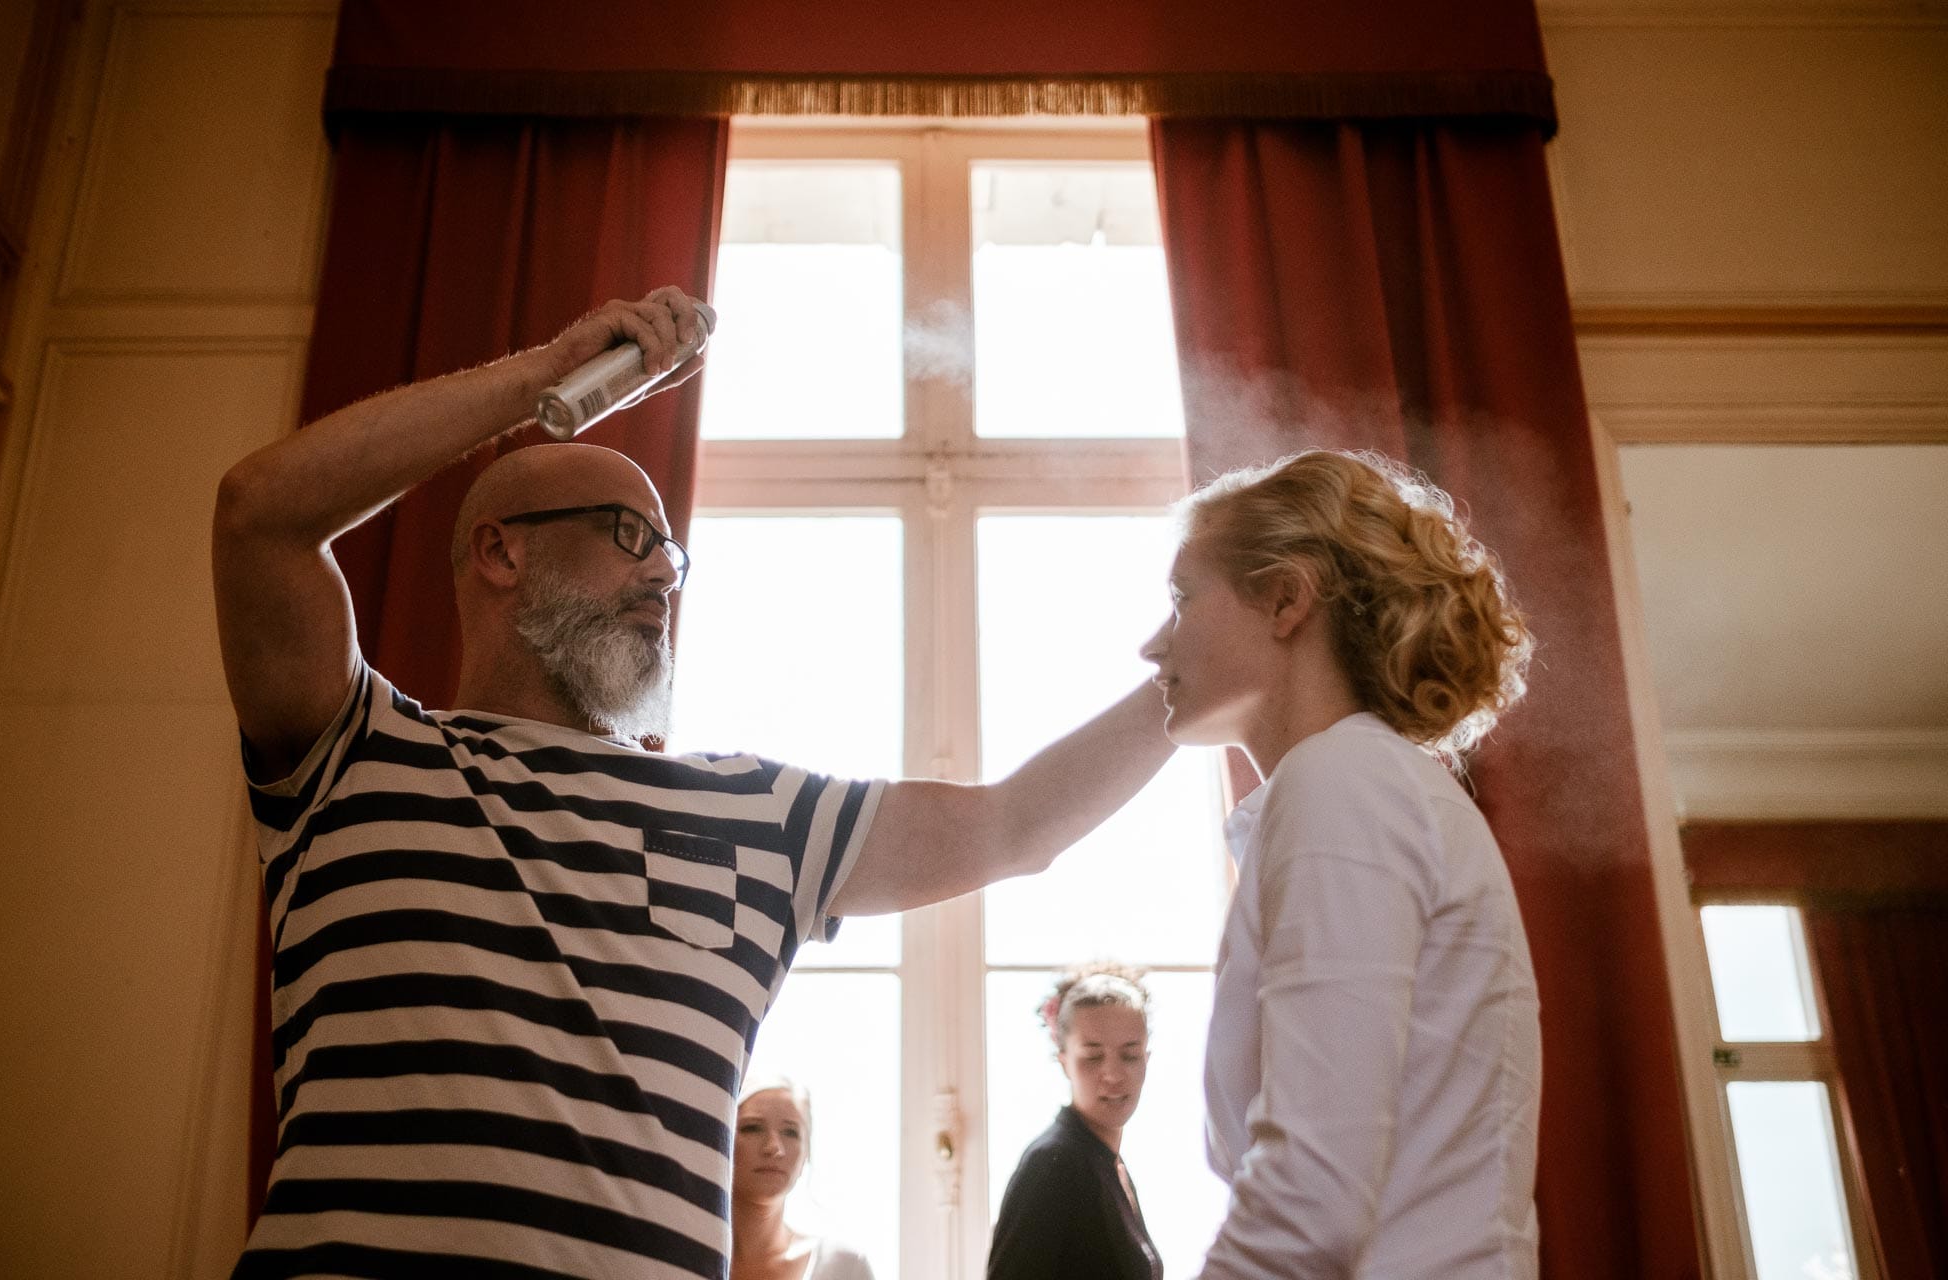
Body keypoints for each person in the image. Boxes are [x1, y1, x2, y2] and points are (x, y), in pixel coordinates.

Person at [212, 286, 1175, 1280]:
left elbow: (1013, 823)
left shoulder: (758, 816)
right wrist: (542, 375)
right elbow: (260, 519)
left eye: (671, 552)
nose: (663, 576)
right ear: (502, 548)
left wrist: (1191, 672)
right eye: (628, 535)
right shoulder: (357, 757)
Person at [1139, 449, 1540, 1278]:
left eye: (1181, 601)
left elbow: (1309, 1194)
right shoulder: (1356, 784)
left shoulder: (1341, 781)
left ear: (1285, 599)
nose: (1153, 645)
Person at [988, 963, 1162, 1280]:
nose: (1113, 1074)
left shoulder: (1105, 1161)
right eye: (1093, 1056)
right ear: (1064, 1060)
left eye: (1130, 1054)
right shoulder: (1052, 1165)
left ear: (1147, 1058)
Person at [729, 1078, 874, 1280]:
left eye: (790, 1132)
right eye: (752, 1128)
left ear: (807, 1152)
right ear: (723, 1141)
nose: (774, 1147)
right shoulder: (683, 1256)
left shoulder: (844, 1268)